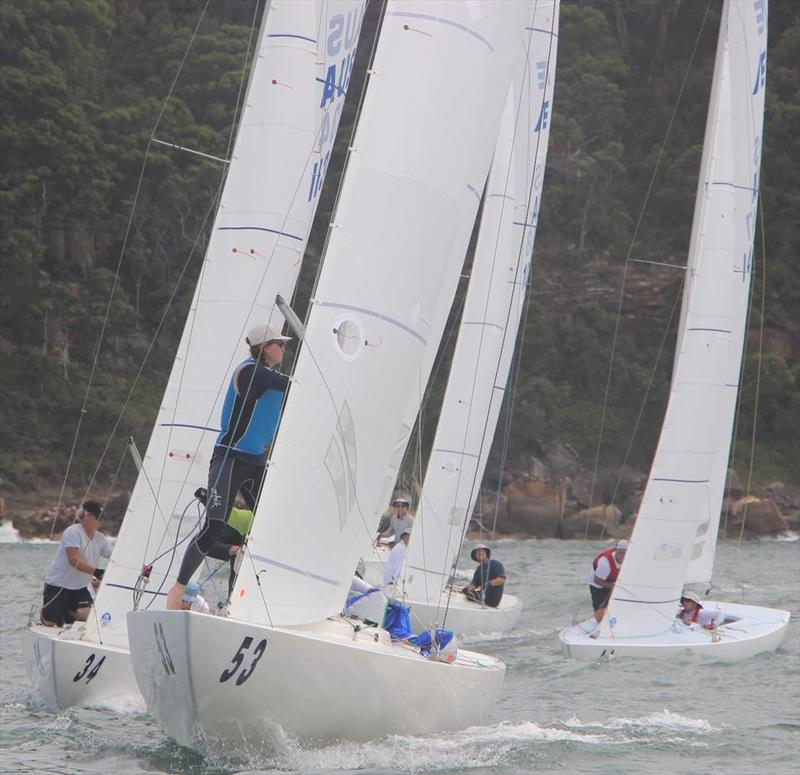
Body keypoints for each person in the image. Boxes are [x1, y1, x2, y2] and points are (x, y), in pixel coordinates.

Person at [166, 324, 291, 610]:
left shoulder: (270, 375)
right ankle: (178, 589)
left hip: (256, 462)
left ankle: (252, 597)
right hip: (230, 458)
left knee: (270, 525)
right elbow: (287, 383)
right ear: (264, 346)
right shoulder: (248, 372)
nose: (283, 349)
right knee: (214, 527)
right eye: (279, 344)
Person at [41, 501, 113, 627]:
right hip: (58, 586)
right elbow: (73, 560)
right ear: (86, 516)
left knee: (88, 617)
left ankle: (68, 614)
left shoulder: (100, 539)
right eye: (98, 518)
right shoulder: (73, 532)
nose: (100, 521)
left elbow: (114, 558)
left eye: (102, 518)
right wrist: (97, 572)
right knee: (51, 621)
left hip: (79, 588)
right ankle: (47, 614)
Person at [588, 539, 628, 623]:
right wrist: (613, 586)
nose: (622, 555)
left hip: (612, 579)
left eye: (624, 553)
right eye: (620, 552)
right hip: (598, 583)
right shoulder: (605, 563)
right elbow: (597, 580)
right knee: (600, 618)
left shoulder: (630, 560)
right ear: (616, 551)